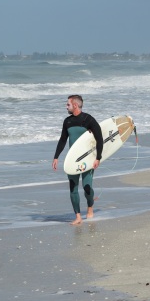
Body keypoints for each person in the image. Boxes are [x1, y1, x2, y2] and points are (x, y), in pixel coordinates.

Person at [52, 95, 103, 225]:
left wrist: (98, 158)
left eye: (67, 104)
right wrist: (56, 157)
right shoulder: (67, 121)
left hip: (88, 160)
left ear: (75, 105)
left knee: (87, 188)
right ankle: (78, 216)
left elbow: (99, 139)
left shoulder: (88, 119)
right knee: (73, 188)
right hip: (73, 160)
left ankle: (90, 206)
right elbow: (63, 140)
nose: (66, 106)